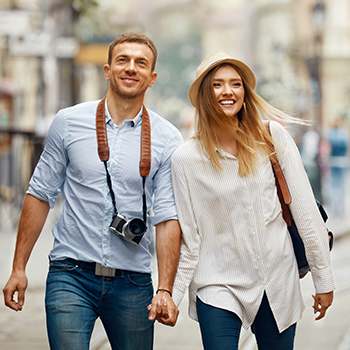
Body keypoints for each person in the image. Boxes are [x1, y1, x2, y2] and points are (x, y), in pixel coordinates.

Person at [3, 32, 183, 350]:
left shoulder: (168, 138)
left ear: (152, 77)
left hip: (133, 281)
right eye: (123, 60)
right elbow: (40, 193)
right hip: (71, 273)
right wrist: (19, 267)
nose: (131, 68)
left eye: (141, 63)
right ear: (107, 70)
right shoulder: (68, 122)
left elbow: (168, 216)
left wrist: (165, 288)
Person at [170, 52, 335, 350]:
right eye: (217, 84)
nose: (228, 91)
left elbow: (305, 212)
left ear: (245, 92)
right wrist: (172, 294)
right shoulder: (186, 159)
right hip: (218, 282)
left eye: (235, 84)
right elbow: (190, 238)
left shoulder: (272, 138)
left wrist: (324, 280)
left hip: (276, 279)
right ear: (205, 94)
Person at [327, 117, 349, 217]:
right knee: (341, 186)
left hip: (332, 161)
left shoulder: (330, 135)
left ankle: (334, 207)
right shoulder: (344, 134)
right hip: (342, 161)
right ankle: (341, 208)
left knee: (333, 185)